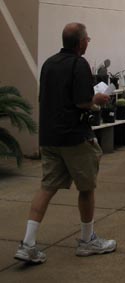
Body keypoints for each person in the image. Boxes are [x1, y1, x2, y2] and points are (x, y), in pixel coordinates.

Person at [15, 23, 116, 265]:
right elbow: (82, 101)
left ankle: (28, 244)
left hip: (50, 137)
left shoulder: (49, 64)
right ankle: (87, 240)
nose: (88, 42)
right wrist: (97, 99)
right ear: (80, 42)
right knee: (86, 187)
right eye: (87, 39)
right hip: (75, 137)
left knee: (47, 187)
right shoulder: (79, 64)